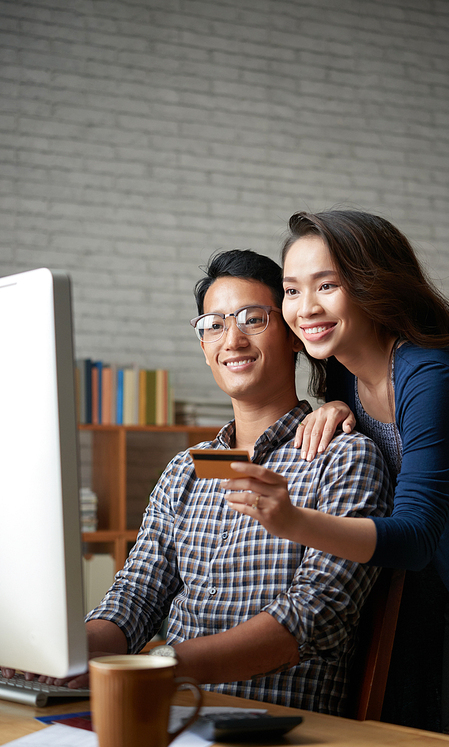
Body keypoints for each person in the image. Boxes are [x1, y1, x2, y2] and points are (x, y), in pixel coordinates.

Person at [37, 249, 391, 715]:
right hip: (167, 713)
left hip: (275, 728)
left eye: (252, 319)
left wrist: (162, 664)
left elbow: (316, 613)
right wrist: (65, 656)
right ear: (203, 347)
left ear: (291, 335)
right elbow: (137, 594)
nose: (233, 340)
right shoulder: (186, 469)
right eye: (214, 325)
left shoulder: (343, 457)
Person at [226, 211, 449, 745]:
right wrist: (333, 404)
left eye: (328, 286)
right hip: (413, 592)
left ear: (374, 284)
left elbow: (418, 535)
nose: (305, 309)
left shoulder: (433, 379)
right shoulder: (348, 380)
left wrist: (293, 520)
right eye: (291, 290)